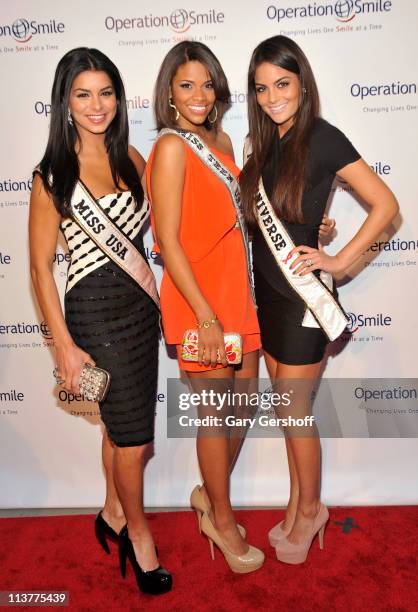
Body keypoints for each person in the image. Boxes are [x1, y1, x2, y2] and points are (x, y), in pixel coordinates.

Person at [240, 35, 399, 564]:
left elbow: (385, 204)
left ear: (302, 83)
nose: (271, 97)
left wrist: (338, 259)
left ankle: (311, 512)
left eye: (281, 84)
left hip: (305, 299)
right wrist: (318, 224)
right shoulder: (262, 144)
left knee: (293, 411)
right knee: (290, 416)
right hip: (268, 296)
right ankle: (296, 504)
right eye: (261, 88)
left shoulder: (324, 137)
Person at [29, 47, 172, 595]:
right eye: (83, 94)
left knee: (120, 428)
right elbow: (42, 270)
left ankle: (112, 510)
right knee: (135, 439)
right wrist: (62, 345)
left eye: (106, 93)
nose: (97, 105)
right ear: (65, 101)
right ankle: (139, 536)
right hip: (93, 315)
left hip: (138, 311)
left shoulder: (131, 157)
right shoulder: (53, 175)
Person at [146, 41, 265, 574]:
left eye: (206, 83)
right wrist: (206, 317)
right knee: (215, 417)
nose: (198, 94)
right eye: (186, 85)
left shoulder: (219, 140)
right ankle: (220, 515)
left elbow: (233, 222)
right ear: (169, 94)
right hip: (200, 303)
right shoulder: (172, 147)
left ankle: (207, 496)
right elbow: (168, 242)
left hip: (239, 295)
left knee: (242, 409)